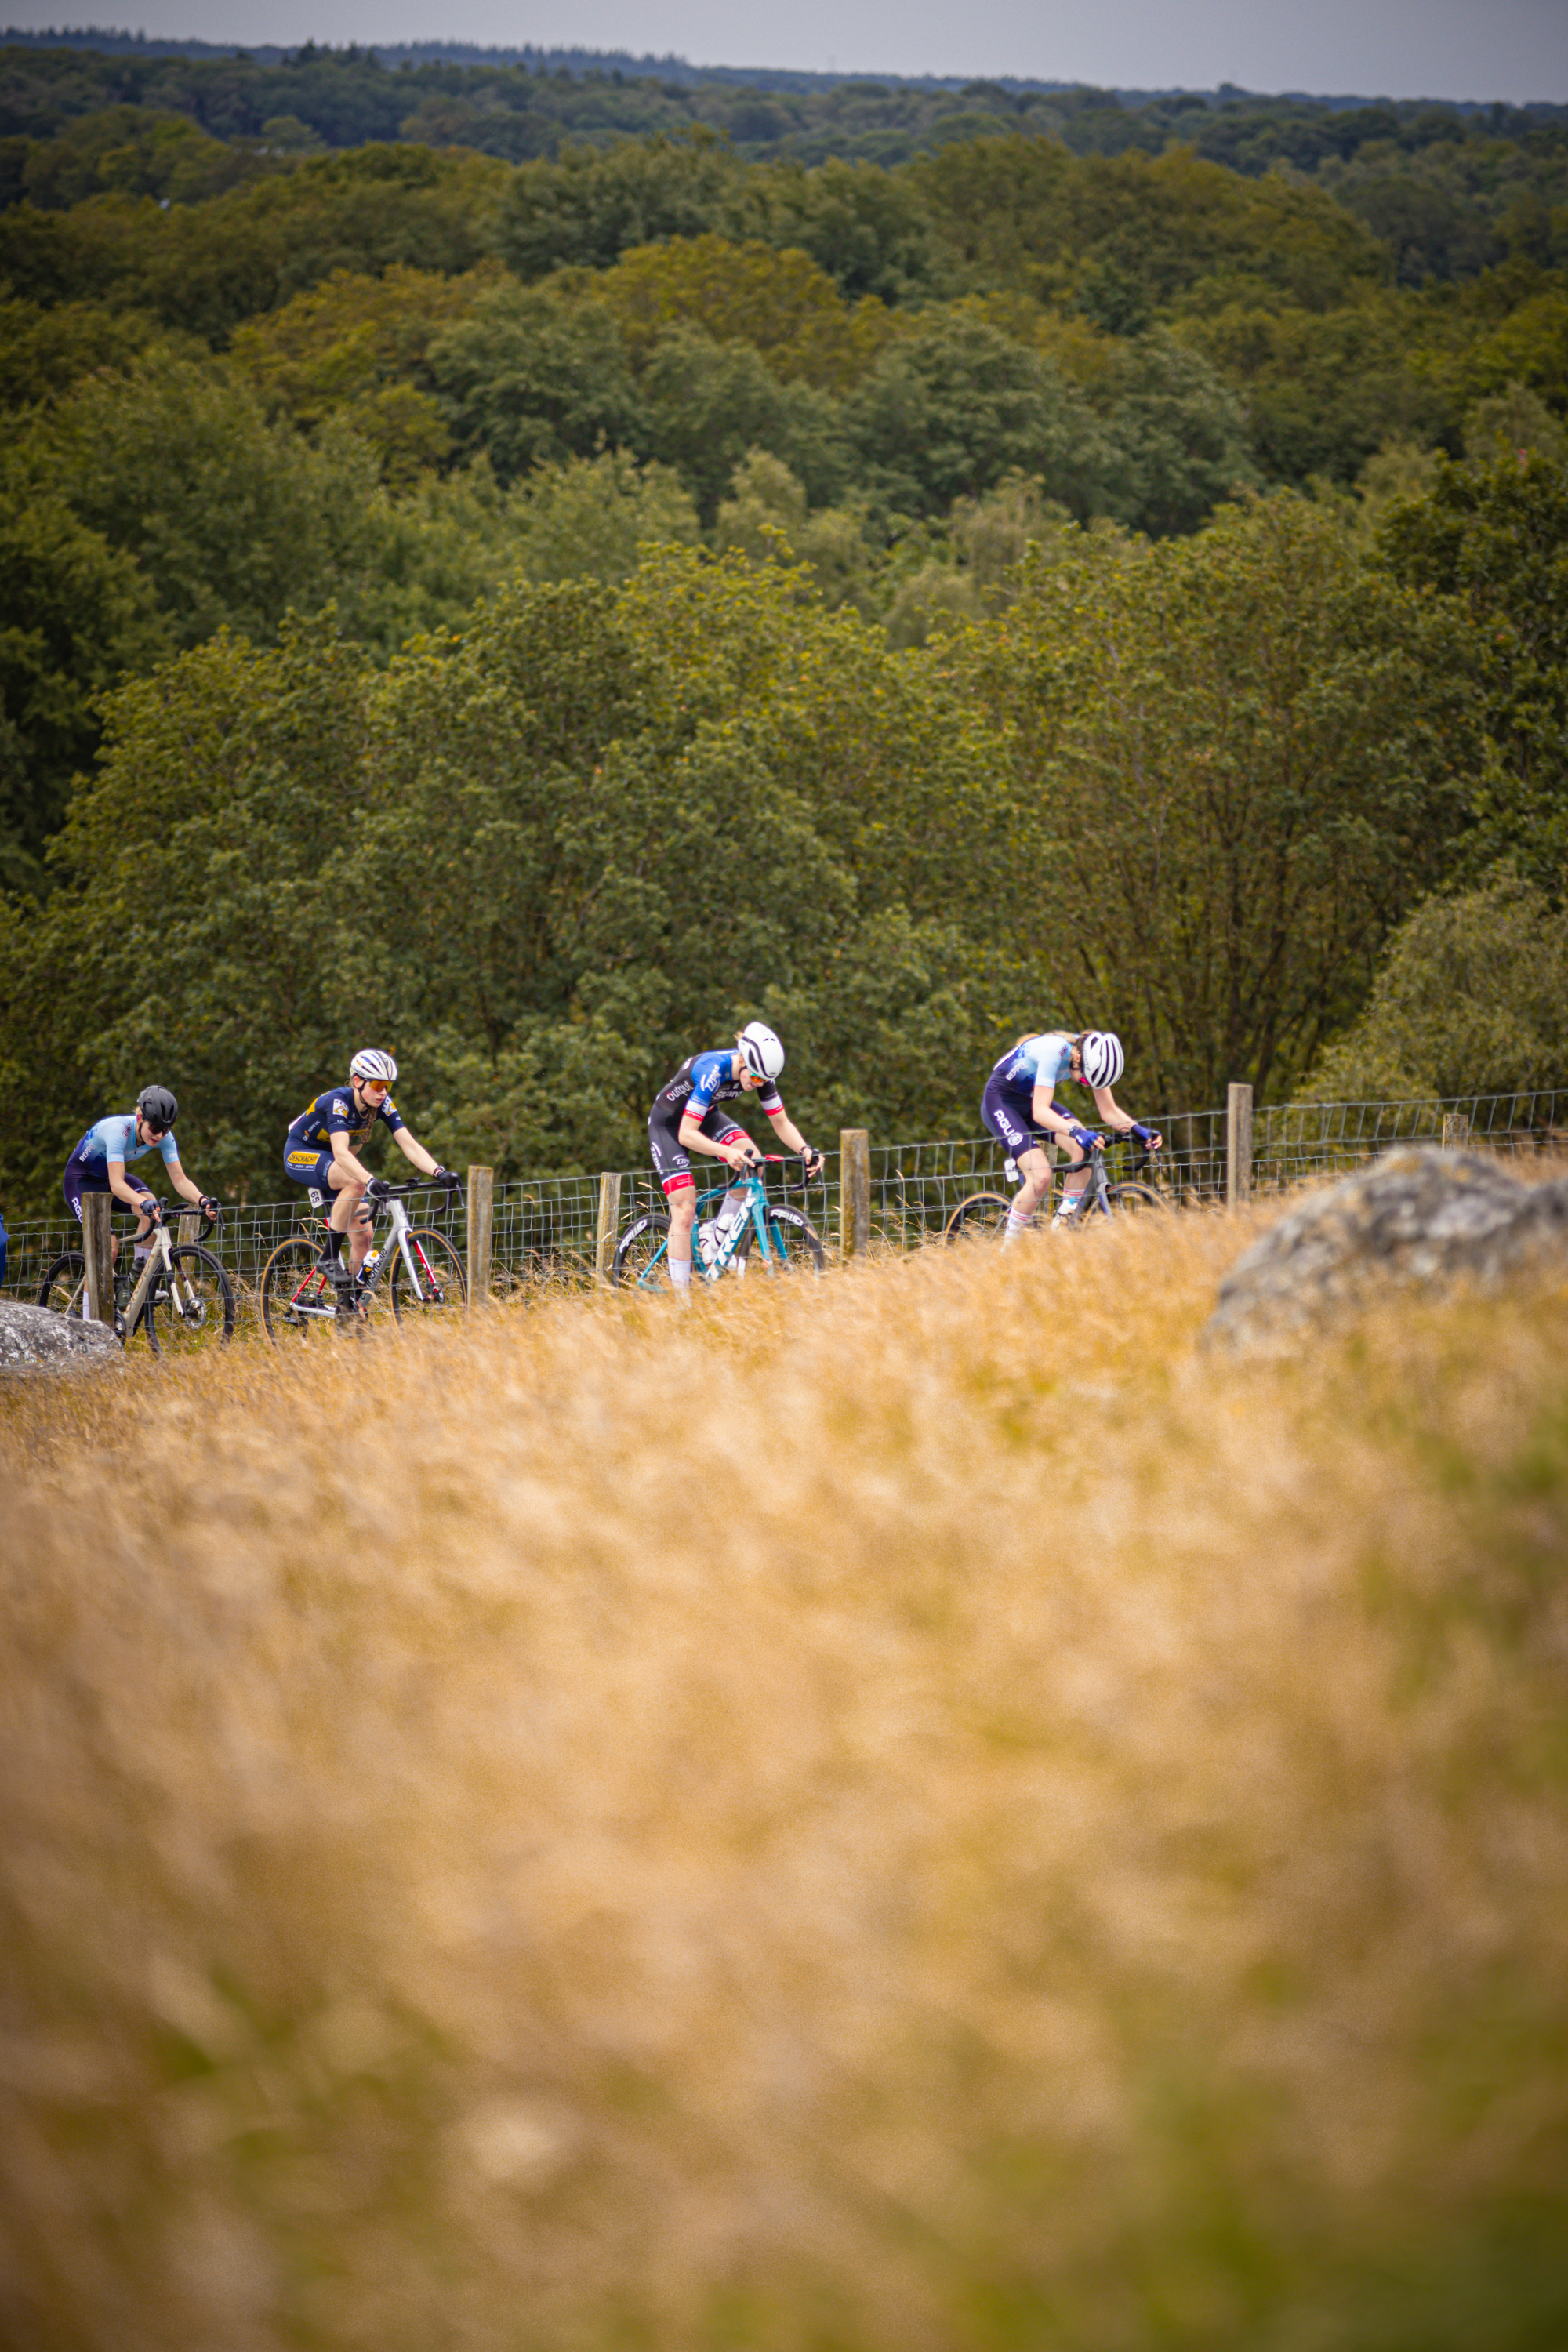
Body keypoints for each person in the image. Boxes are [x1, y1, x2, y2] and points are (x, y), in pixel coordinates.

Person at [647, 1022, 822, 1294]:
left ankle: (714, 1238)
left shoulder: (759, 1071)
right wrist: (726, 1152)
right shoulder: (712, 1069)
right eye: (754, 1079)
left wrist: (806, 1150)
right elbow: (686, 1135)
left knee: (755, 1165)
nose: (758, 1085)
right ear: (742, 1058)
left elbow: (780, 1121)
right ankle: (682, 1303)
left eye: (763, 1081)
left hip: (706, 1117)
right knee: (684, 1210)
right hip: (669, 1125)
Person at [283, 1049, 457, 1287]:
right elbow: (341, 1153)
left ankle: (350, 1308)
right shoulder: (338, 1102)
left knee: (364, 1237)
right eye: (377, 1085)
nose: (383, 1092)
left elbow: (409, 1145)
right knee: (356, 1182)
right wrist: (370, 1180)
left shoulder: (382, 1104)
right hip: (301, 1154)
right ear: (357, 1081)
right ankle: (328, 1257)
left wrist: (439, 1172)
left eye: (388, 1086)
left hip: (336, 1165)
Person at [981, 1030, 1162, 1242]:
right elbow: (1040, 1111)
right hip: (1002, 1103)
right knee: (1041, 1177)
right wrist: (1076, 1132)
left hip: (1031, 1100)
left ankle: (1061, 1227)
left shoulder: (1093, 1057)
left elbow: (1109, 1111)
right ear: (1076, 1059)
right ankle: (1008, 1250)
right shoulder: (1054, 1053)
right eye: (1086, 1079)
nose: (1086, 1084)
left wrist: (1136, 1129)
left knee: (1084, 1148)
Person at [61, 1085, 220, 1268]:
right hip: (80, 1182)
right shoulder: (118, 1131)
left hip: (106, 1178)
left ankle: (140, 1285)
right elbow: (117, 1185)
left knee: (154, 1213)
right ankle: (92, 1297)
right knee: (107, 1250)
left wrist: (203, 1201)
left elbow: (181, 1180)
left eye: (166, 1130)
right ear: (140, 1118)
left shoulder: (163, 1137)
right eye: (155, 1127)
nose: (160, 1135)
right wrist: (142, 1203)